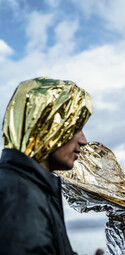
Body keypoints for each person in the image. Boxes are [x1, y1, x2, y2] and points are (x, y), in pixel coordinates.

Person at [0, 77, 92, 254]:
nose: (84, 141)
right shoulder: (19, 197)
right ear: (47, 126)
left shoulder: (31, 187)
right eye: (76, 128)